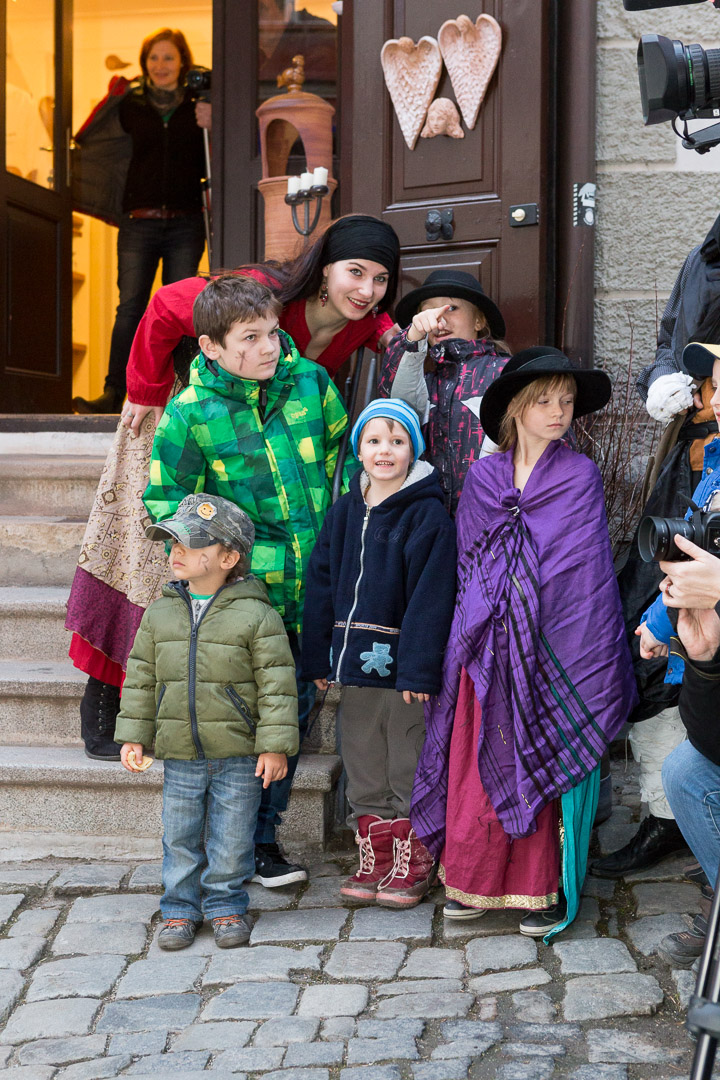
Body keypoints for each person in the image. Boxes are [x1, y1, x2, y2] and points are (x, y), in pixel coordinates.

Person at [65, 214, 401, 764]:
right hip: (187, 418)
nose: (366, 290)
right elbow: (161, 308)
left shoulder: (363, 323)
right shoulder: (259, 292)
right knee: (142, 562)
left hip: (267, 450)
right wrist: (146, 388)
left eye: (381, 279)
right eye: (356, 272)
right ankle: (105, 702)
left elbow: (403, 344)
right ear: (323, 269)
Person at [411, 348, 636, 936]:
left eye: (566, 400)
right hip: (487, 646)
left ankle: (544, 887)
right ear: (514, 408)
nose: (558, 411)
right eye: (544, 400)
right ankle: (475, 880)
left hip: (557, 645)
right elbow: (469, 561)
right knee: (479, 760)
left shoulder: (579, 475)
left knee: (540, 751)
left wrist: (539, 626)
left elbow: (579, 571)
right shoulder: (484, 478)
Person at [140, 273, 353, 888]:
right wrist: (219, 549)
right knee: (241, 718)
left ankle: (263, 839)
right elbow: (164, 500)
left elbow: (345, 461)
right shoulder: (190, 412)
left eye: (273, 332)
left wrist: (345, 536)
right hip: (241, 600)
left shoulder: (311, 384)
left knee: (292, 711)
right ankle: (227, 840)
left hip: (314, 587)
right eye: (249, 338)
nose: (267, 348)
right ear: (210, 346)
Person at [592, 219, 720, 879]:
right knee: (650, 629)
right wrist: (665, 376)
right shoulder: (702, 255)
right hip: (692, 462)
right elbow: (671, 339)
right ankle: (670, 813)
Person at [116, 493, 298, 951]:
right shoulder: (159, 614)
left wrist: (273, 745)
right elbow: (140, 678)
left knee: (232, 835)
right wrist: (134, 736)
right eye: (172, 542)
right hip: (179, 751)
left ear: (228, 557)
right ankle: (178, 909)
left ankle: (225, 905)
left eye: (190, 544)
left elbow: (277, 685)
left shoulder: (257, 614)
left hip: (237, 753)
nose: (176, 551)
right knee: (179, 834)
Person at [302, 399, 457, 907]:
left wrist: (418, 666)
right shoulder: (346, 510)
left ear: (414, 449)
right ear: (359, 450)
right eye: (374, 440)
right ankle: (376, 853)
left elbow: (431, 598)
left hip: (403, 669)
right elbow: (321, 583)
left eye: (397, 440)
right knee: (362, 751)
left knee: (406, 752)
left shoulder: (427, 514)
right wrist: (318, 656)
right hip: (354, 665)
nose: (384, 450)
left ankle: (415, 856)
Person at [72, 27, 210, 415]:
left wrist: (214, 120)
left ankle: (178, 394)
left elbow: (225, 149)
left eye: (168, 57)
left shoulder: (198, 103)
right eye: (153, 57)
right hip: (139, 222)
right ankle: (116, 392)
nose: (160, 65)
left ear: (182, 61)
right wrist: (111, 97)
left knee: (180, 310)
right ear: (144, 63)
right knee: (130, 309)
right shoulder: (130, 105)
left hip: (186, 222)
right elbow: (91, 138)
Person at [377, 269, 509, 515]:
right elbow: (390, 393)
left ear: (479, 321)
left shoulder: (505, 373)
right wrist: (412, 338)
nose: (438, 320)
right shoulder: (421, 382)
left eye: (451, 308)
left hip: (493, 523)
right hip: (430, 525)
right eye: (427, 312)